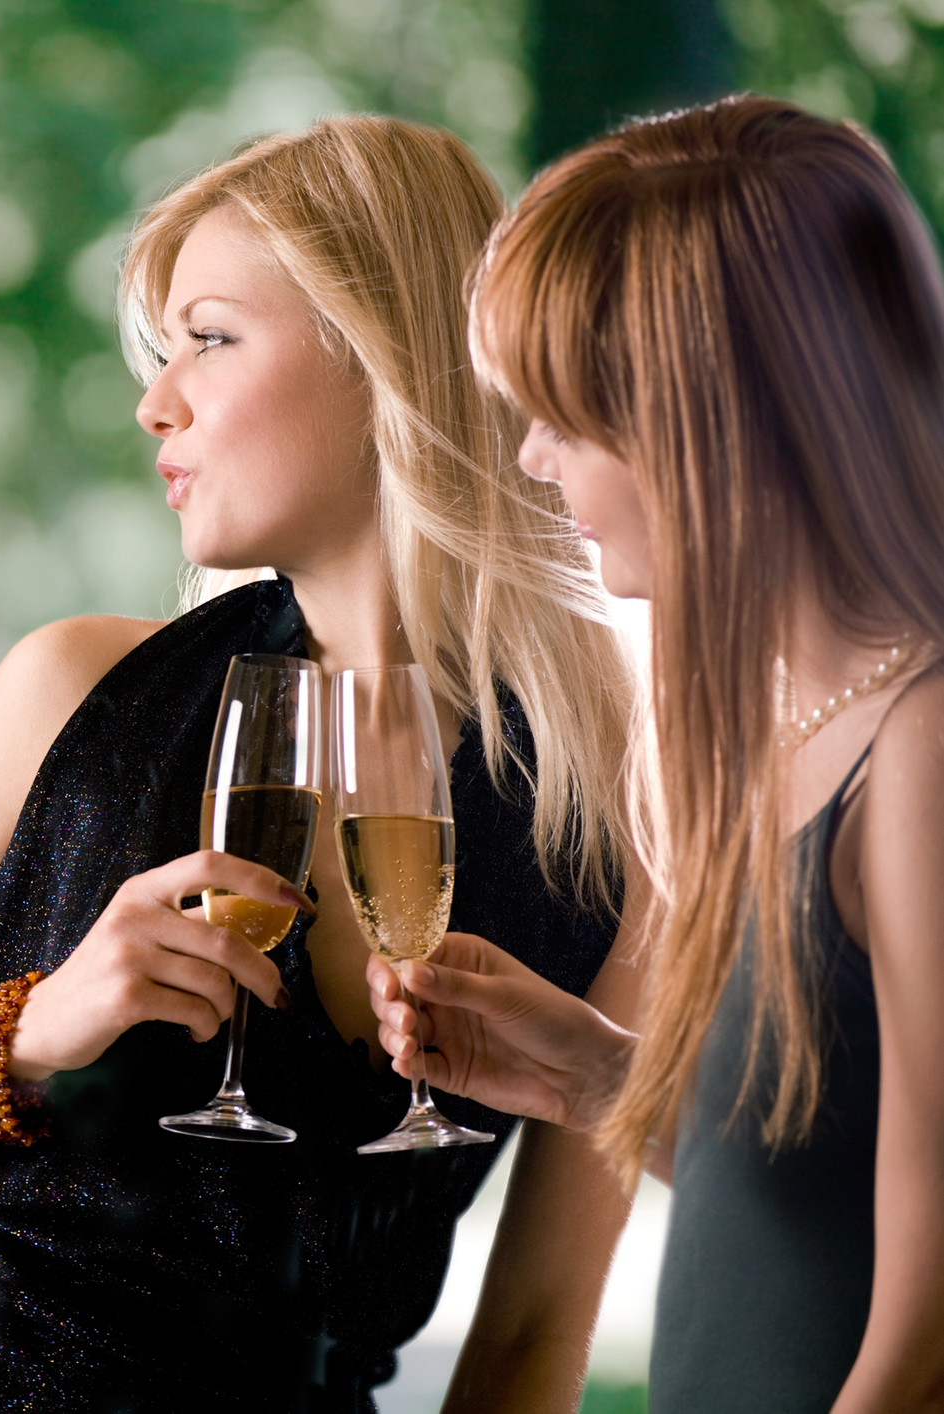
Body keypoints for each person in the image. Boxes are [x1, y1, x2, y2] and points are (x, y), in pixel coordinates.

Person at [0, 115, 646, 1411]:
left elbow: (532, 1340)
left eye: (210, 339)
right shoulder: (74, 694)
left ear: (380, 354)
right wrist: (33, 1025)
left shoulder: (597, 818)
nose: (153, 401)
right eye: (162, 352)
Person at [369, 95, 944, 1411]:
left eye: (564, 416)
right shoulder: (787, 735)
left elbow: (922, 1339)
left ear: (700, 416)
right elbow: (812, 1200)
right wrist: (583, 1068)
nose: (529, 456)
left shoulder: (920, 750)